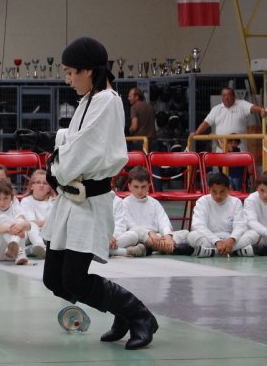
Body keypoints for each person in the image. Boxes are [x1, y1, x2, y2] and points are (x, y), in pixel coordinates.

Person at [41, 36, 158, 350]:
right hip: (71, 201)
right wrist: (51, 141)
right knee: (54, 279)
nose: (68, 79)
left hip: (89, 202)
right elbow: (75, 139)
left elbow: (83, 150)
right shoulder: (90, 100)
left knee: (73, 279)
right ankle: (122, 312)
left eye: (71, 72)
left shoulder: (106, 101)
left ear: (89, 71)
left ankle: (139, 316)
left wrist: (54, 165)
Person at [120, 167, 192, 256]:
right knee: (132, 235)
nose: (140, 190)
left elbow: (164, 222)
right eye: (136, 187)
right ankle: (171, 248)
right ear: (129, 186)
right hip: (141, 237)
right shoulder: (124, 204)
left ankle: (151, 249)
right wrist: (149, 233)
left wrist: (168, 236)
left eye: (143, 187)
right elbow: (131, 226)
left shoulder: (154, 203)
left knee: (185, 233)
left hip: (158, 237)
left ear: (149, 186)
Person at [187, 172, 259, 257]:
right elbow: (198, 225)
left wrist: (232, 239)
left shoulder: (236, 202)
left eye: (222, 192)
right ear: (209, 189)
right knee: (192, 236)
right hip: (210, 239)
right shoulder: (202, 201)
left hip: (231, 239)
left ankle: (213, 252)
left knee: (254, 234)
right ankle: (235, 251)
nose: (218, 196)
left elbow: (239, 225)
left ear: (229, 189)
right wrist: (216, 241)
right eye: (214, 192)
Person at [190, 86, 267, 152]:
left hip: (239, 149)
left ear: (234, 96)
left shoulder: (242, 104)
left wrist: (261, 110)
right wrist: (196, 133)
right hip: (221, 150)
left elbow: (253, 108)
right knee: (221, 166)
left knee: (238, 165)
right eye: (224, 95)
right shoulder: (216, 109)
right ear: (221, 97)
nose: (226, 97)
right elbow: (206, 123)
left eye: (228, 95)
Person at [0, 180, 30, 265]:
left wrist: (21, 226)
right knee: (3, 218)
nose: (2, 203)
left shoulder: (16, 207)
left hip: (11, 255)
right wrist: (10, 229)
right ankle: (19, 251)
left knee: (21, 222)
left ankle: (15, 249)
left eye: (6, 198)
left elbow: (29, 225)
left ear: (12, 197)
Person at [19, 169, 55, 258]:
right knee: (32, 227)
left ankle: (37, 249)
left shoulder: (53, 201)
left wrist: (43, 223)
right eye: (38, 182)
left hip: (48, 234)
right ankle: (39, 247)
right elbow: (30, 223)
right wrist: (45, 223)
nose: (41, 185)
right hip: (30, 234)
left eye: (45, 183)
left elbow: (54, 223)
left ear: (49, 188)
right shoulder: (26, 201)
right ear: (32, 186)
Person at [126, 87, 155, 152]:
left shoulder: (134, 107)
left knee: (140, 159)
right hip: (152, 141)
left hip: (139, 142)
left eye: (130, 96)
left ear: (137, 97)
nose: (128, 98)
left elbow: (134, 127)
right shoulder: (150, 106)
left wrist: (129, 130)